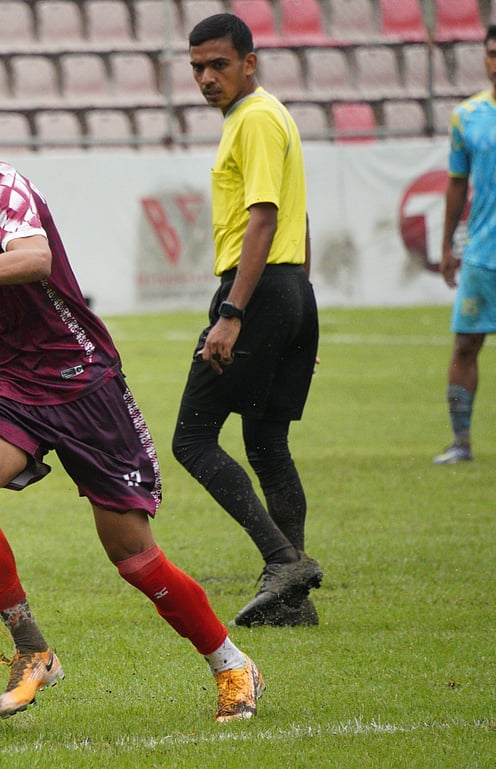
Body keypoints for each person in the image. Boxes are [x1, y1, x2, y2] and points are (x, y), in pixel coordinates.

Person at [0, 62, 263, 723]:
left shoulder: (1, 188)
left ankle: (231, 664)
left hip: (81, 378)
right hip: (2, 379)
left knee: (133, 556)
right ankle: (32, 649)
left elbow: (33, 258)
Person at [172, 14, 322, 628]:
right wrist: (300, 312)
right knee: (266, 442)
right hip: (287, 290)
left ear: (249, 62)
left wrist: (233, 312)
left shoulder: (255, 118)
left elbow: (263, 217)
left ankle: (283, 562)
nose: (207, 78)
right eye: (197, 68)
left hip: (255, 292)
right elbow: (297, 219)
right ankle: (295, 602)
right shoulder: (268, 115)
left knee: (192, 438)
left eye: (219, 65)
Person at [435, 22, 496, 465]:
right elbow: (457, 183)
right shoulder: (467, 116)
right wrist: (448, 244)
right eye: (493, 54)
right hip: (484, 250)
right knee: (465, 345)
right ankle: (461, 442)